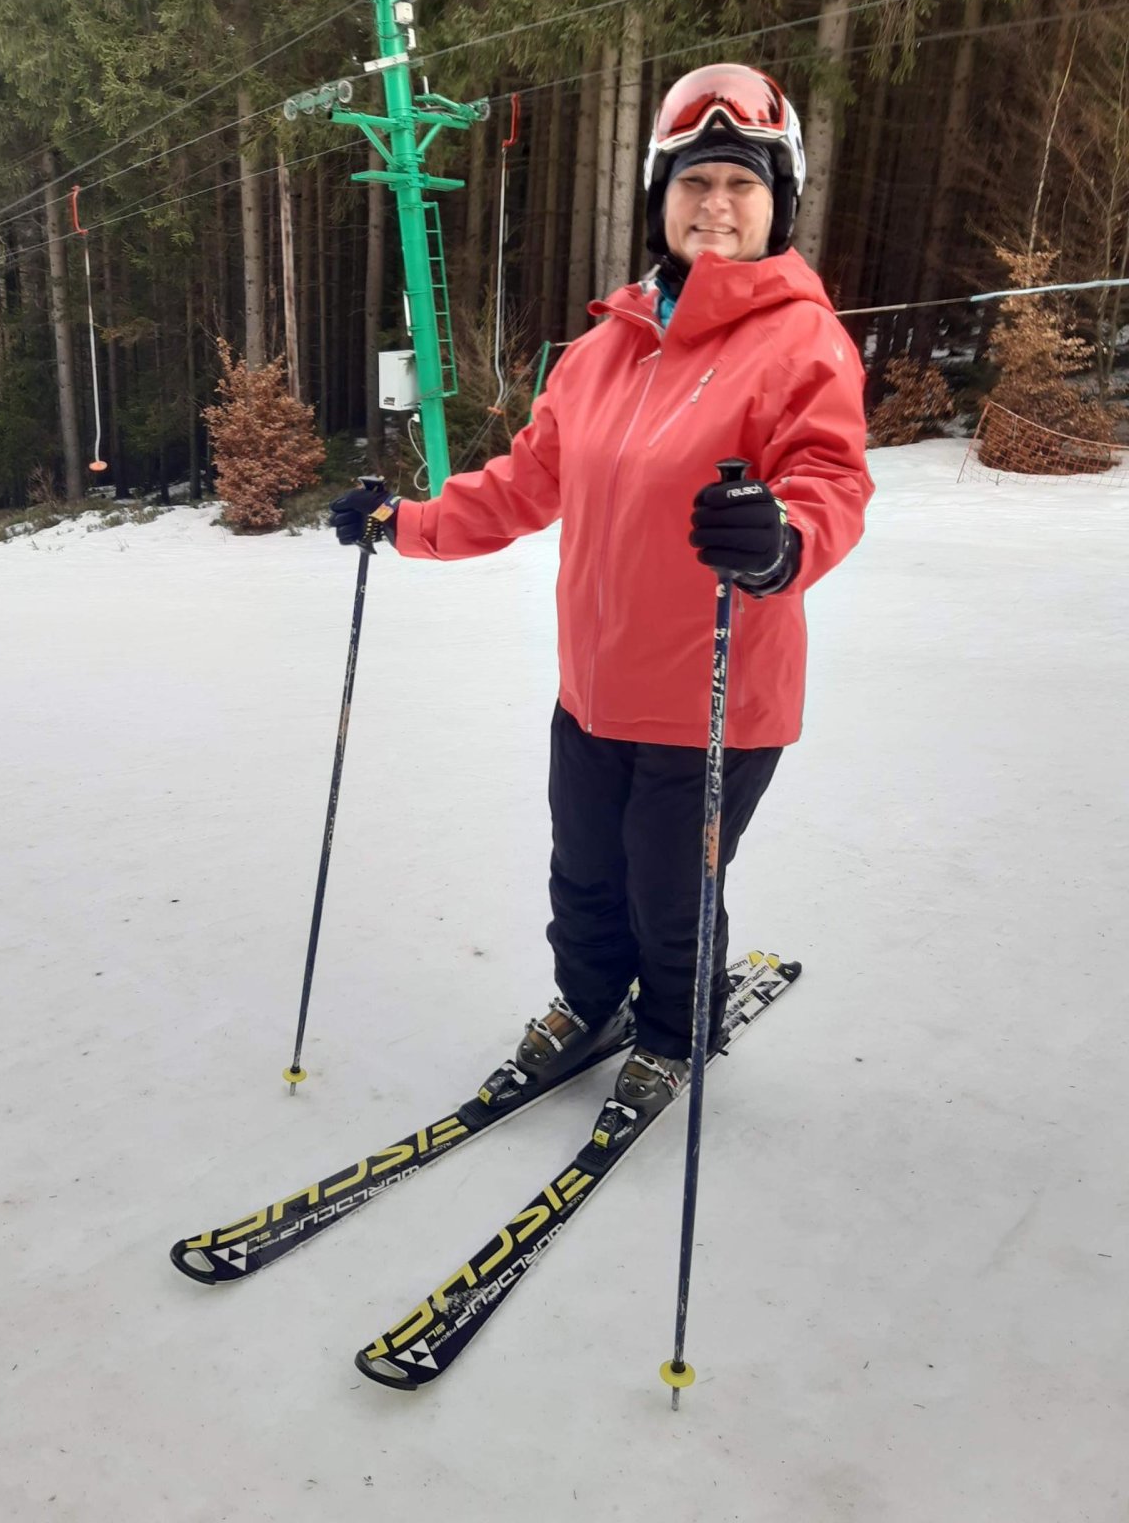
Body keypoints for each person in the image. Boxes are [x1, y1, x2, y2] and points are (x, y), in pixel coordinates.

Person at [330, 63, 874, 1122]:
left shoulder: (800, 340)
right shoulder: (599, 352)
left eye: (743, 184)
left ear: (779, 203)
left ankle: (673, 1029)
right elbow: (523, 484)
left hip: (717, 698)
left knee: (670, 895)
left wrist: (781, 541)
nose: (716, 204)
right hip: (595, 689)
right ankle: (587, 1003)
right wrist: (404, 524)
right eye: (694, 181)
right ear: (659, 197)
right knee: (583, 878)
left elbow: (831, 481)